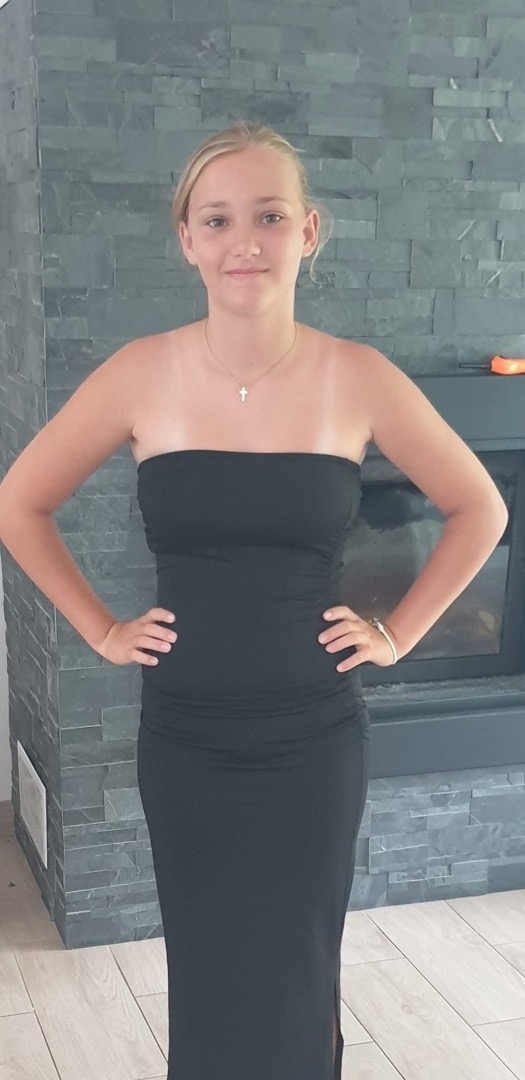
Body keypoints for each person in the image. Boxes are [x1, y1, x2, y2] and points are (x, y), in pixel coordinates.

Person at [0, 120, 508, 1080]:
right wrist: (100, 629)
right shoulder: (140, 372)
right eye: (218, 219)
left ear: (307, 231)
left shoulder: (355, 375)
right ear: (186, 238)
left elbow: (479, 508)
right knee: (208, 973)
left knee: (298, 971)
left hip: (311, 737)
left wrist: (398, 632)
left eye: (269, 216)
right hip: (185, 736)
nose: (245, 242)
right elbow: (19, 503)